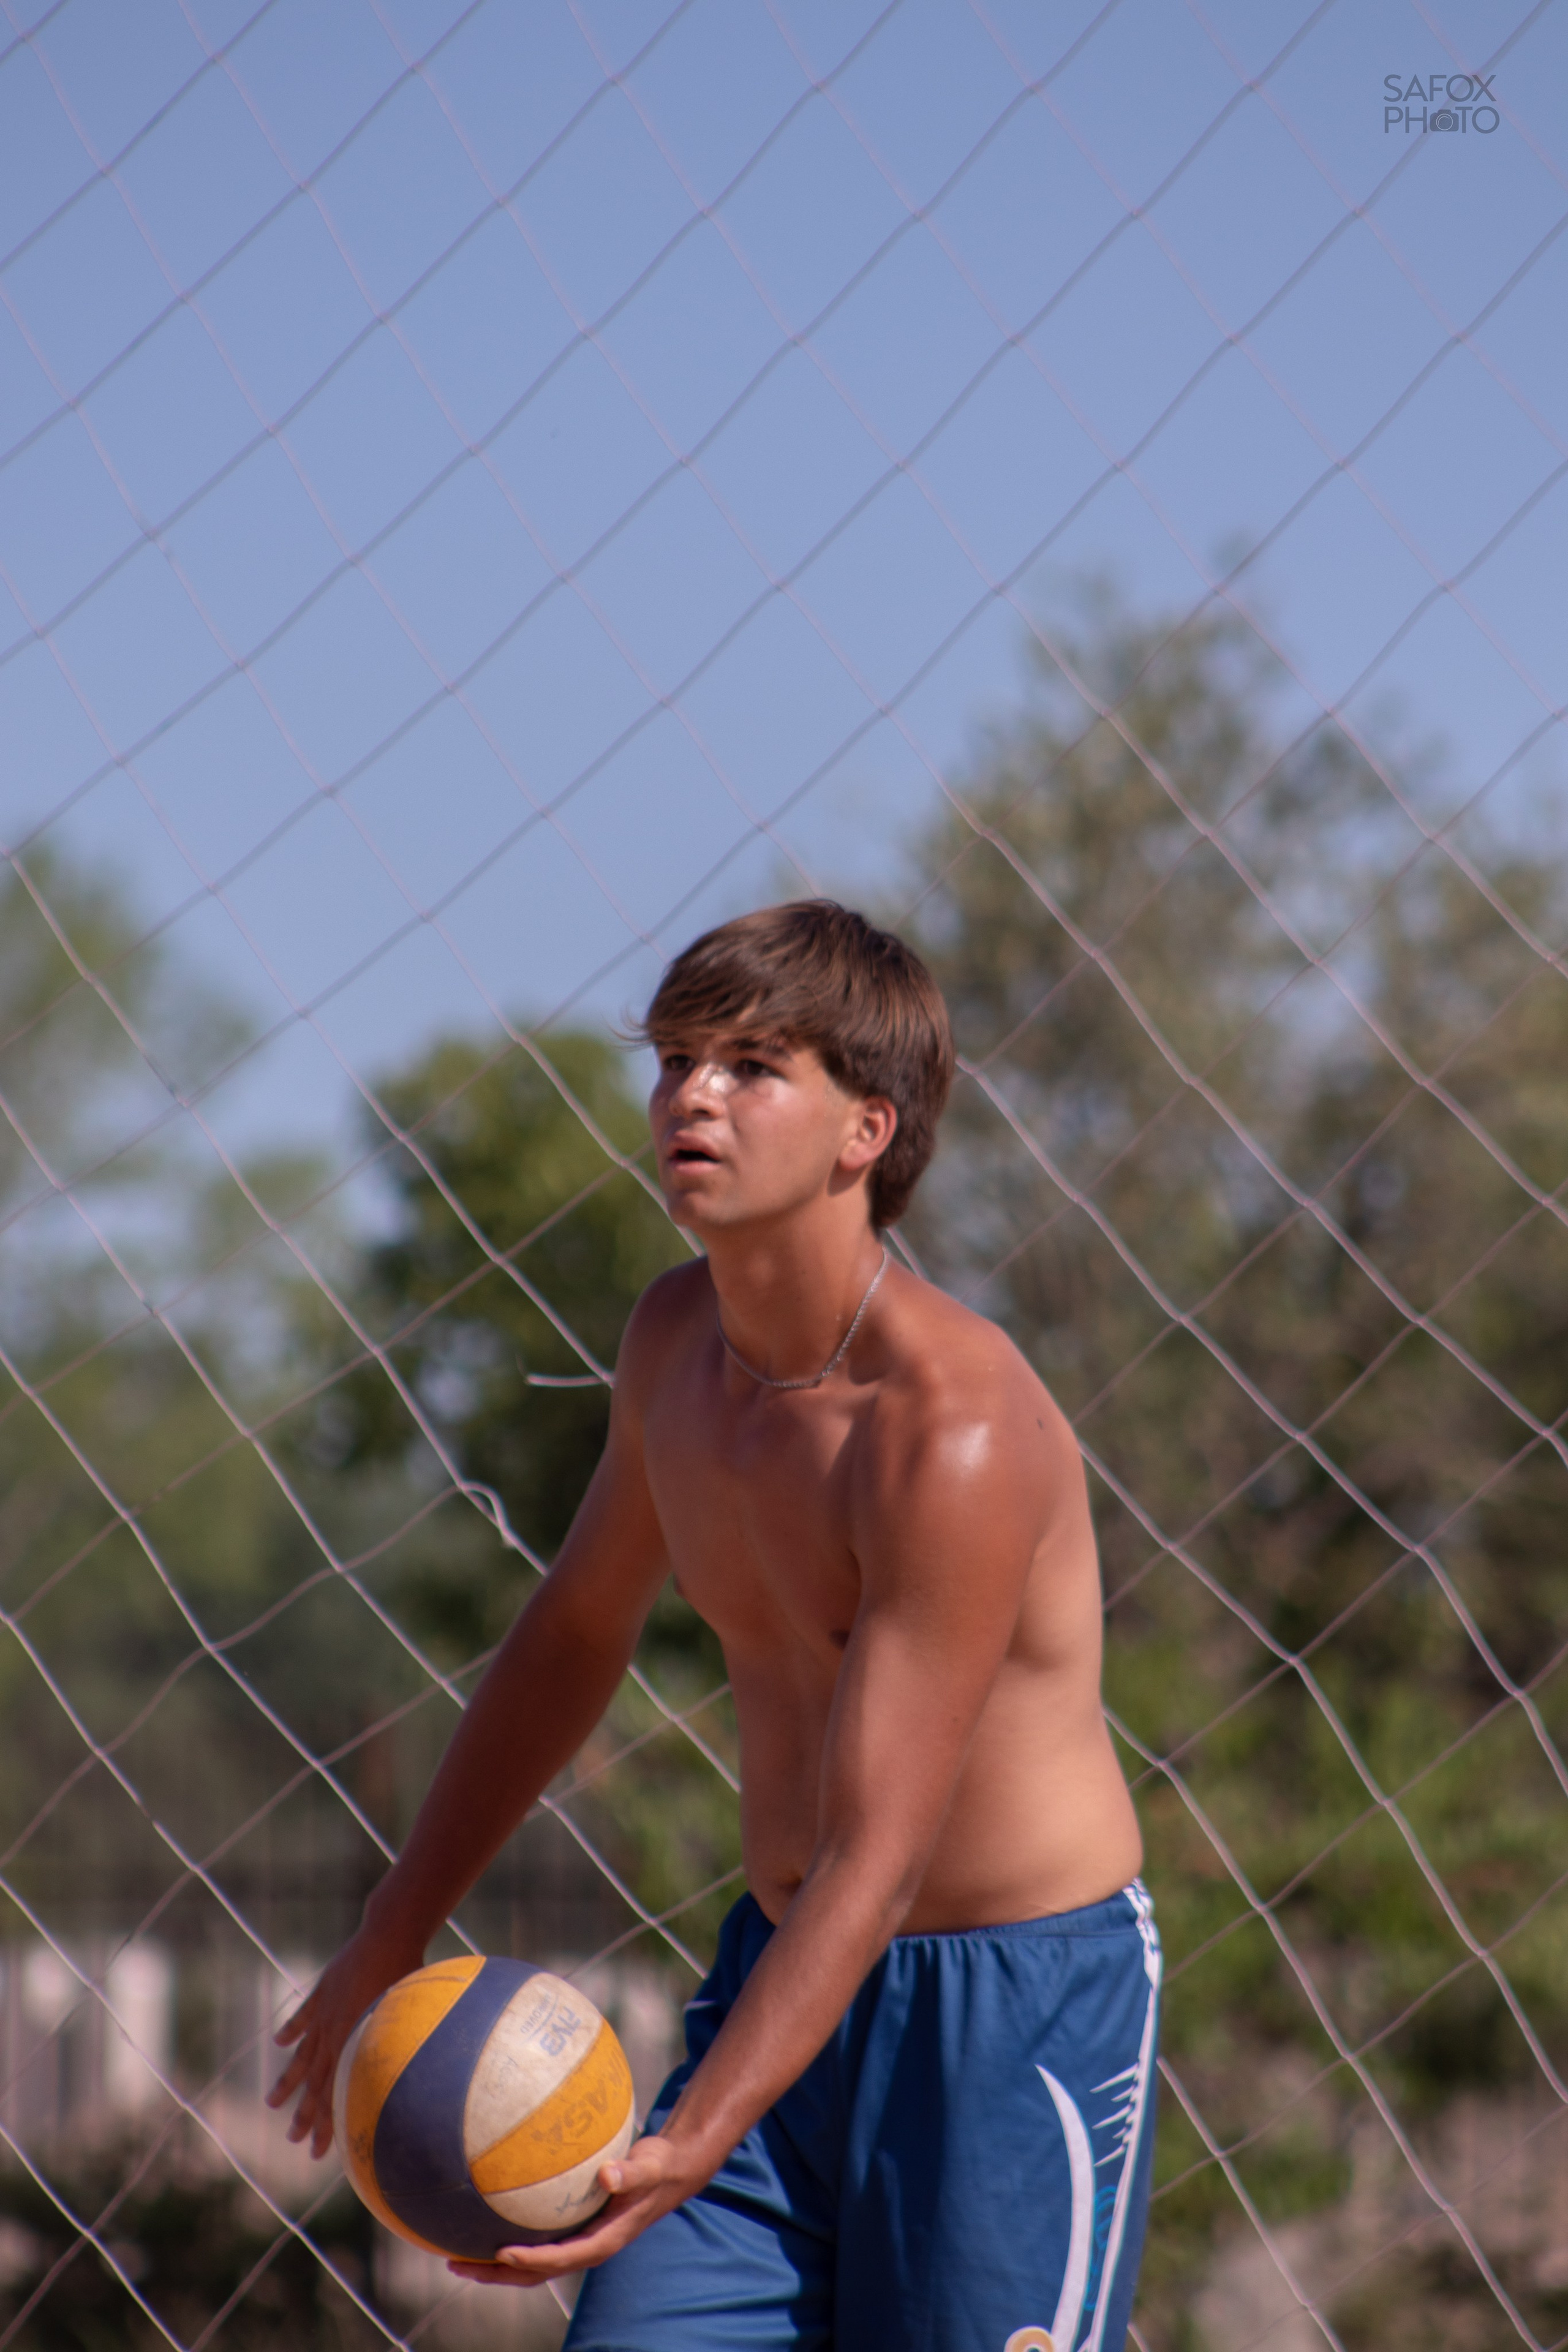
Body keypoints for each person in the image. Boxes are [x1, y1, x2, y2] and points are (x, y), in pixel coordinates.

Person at [270, 900, 1159, 2352]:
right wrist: (396, 1920)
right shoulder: (673, 1345)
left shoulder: (955, 1429)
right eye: (679, 1058)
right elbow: (572, 1635)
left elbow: (882, 1853)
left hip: (1007, 2015)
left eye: (751, 1066)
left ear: (863, 1131)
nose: (691, 1093)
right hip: (781, 1973)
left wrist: (699, 2132)